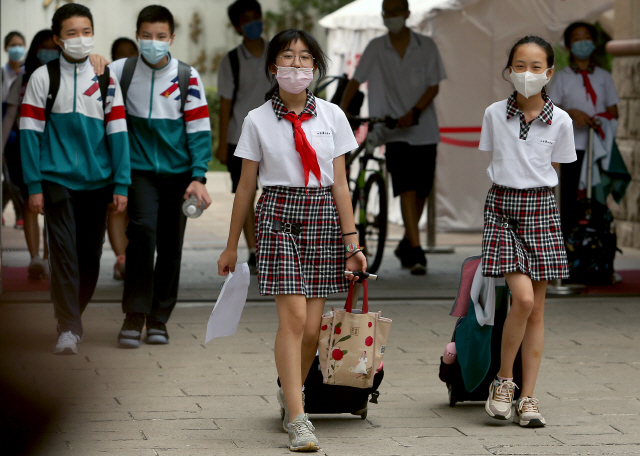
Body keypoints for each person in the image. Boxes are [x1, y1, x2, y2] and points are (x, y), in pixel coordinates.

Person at [217, 29, 366, 452]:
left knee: (314, 329)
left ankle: (291, 391)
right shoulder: (257, 119)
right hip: (278, 216)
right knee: (295, 320)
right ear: (273, 67)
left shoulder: (334, 116)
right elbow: (246, 188)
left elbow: (340, 185)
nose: (297, 65)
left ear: (316, 68)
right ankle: (299, 419)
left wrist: (352, 241)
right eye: (288, 57)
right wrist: (231, 245)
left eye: (305, 58)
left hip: (322, 217)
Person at [20, 4, 130, 355]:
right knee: (64, 253)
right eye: (72, 33)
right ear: (57, 38)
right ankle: (67, 326)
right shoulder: (43, 78)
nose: (80, 39)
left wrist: (121, 183)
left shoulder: (105, 77)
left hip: (98, 182)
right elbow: (29, 134)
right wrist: (34, 185)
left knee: (89, 256)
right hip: (56, 179)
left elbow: (118, 132)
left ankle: (71, 320)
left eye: (86, 32)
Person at [479, 36, 576, 427]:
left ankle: (529, 399)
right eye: (519, 65)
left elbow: (557, 172)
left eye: (536, 67)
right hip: (502, 209)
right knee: (521, 300)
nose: (527, 73)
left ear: (549, 72)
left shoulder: (563, 120)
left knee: (536, 310)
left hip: (541, 210)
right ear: (509, 69)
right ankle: (504, 381)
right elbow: (497, 160)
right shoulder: (493, 114)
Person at [110, 5, 212, 348]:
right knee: (142, 235)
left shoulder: (187, 77)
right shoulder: (119, 71)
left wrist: (199, 176)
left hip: (179, 176)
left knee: (170, 245)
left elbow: (199, 130)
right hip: (138, 173)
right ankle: (133, 315)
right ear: (137, 35)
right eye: (147, 36)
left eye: (161, 37)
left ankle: (158, 319)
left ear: (171, 38)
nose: (153, 43)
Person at [340, 0, 446, 275]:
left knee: (422, 190)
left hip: (424, 128)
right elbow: (356, 79)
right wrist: (340, 110)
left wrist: (415, 112)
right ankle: (418, 249)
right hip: (391, 129)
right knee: (406, 188)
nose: (391, 17)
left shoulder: (426, 46)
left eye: (396, 11)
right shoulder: (376, 47)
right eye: (387, 12)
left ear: (407, 14)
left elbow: (434, 86)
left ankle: (407, 242)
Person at [548, 22, 619, 236]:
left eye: (586, 37)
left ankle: (597, 246)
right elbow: (552, 109)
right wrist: (572, 113)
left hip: (598, 147)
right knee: (570, 197)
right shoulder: (562, 77)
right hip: (572, 148)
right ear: (569, 46)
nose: (582, 42)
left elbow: (614, 110)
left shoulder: (604, 77)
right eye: (576, 38)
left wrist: (598, 119)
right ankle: (570, 247)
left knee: (597, 196)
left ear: (594, 43)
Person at [216, 0, 271, 274]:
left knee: (275, 193)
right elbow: (225, 103)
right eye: (246, 19)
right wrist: (222, 143)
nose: (253, 23)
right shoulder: (232, 61)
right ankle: (254, 250)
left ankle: (275, 246)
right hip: (241, 138)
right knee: (246, 194)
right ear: (238, 27)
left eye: (256, 17)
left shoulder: (279, 54)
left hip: (276, 138)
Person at [107, 37, 139, 280]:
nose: (126, 58)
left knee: (138, 209)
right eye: (121, 54)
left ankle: (138, 257)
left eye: (131, 53)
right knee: (116, 207)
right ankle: (122, 259)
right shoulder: (105, 79)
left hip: (140, 156)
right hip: (114, 152)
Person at [2, 31, 26, 230]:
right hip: (5, 136)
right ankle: (20, 214)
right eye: (13, 44)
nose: (17, 48)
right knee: (10, 178)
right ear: (5, 48)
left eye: (20, 44)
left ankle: (19, 213)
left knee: (14, 178)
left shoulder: (28, 74)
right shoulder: (2, 75)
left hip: (22, 136)